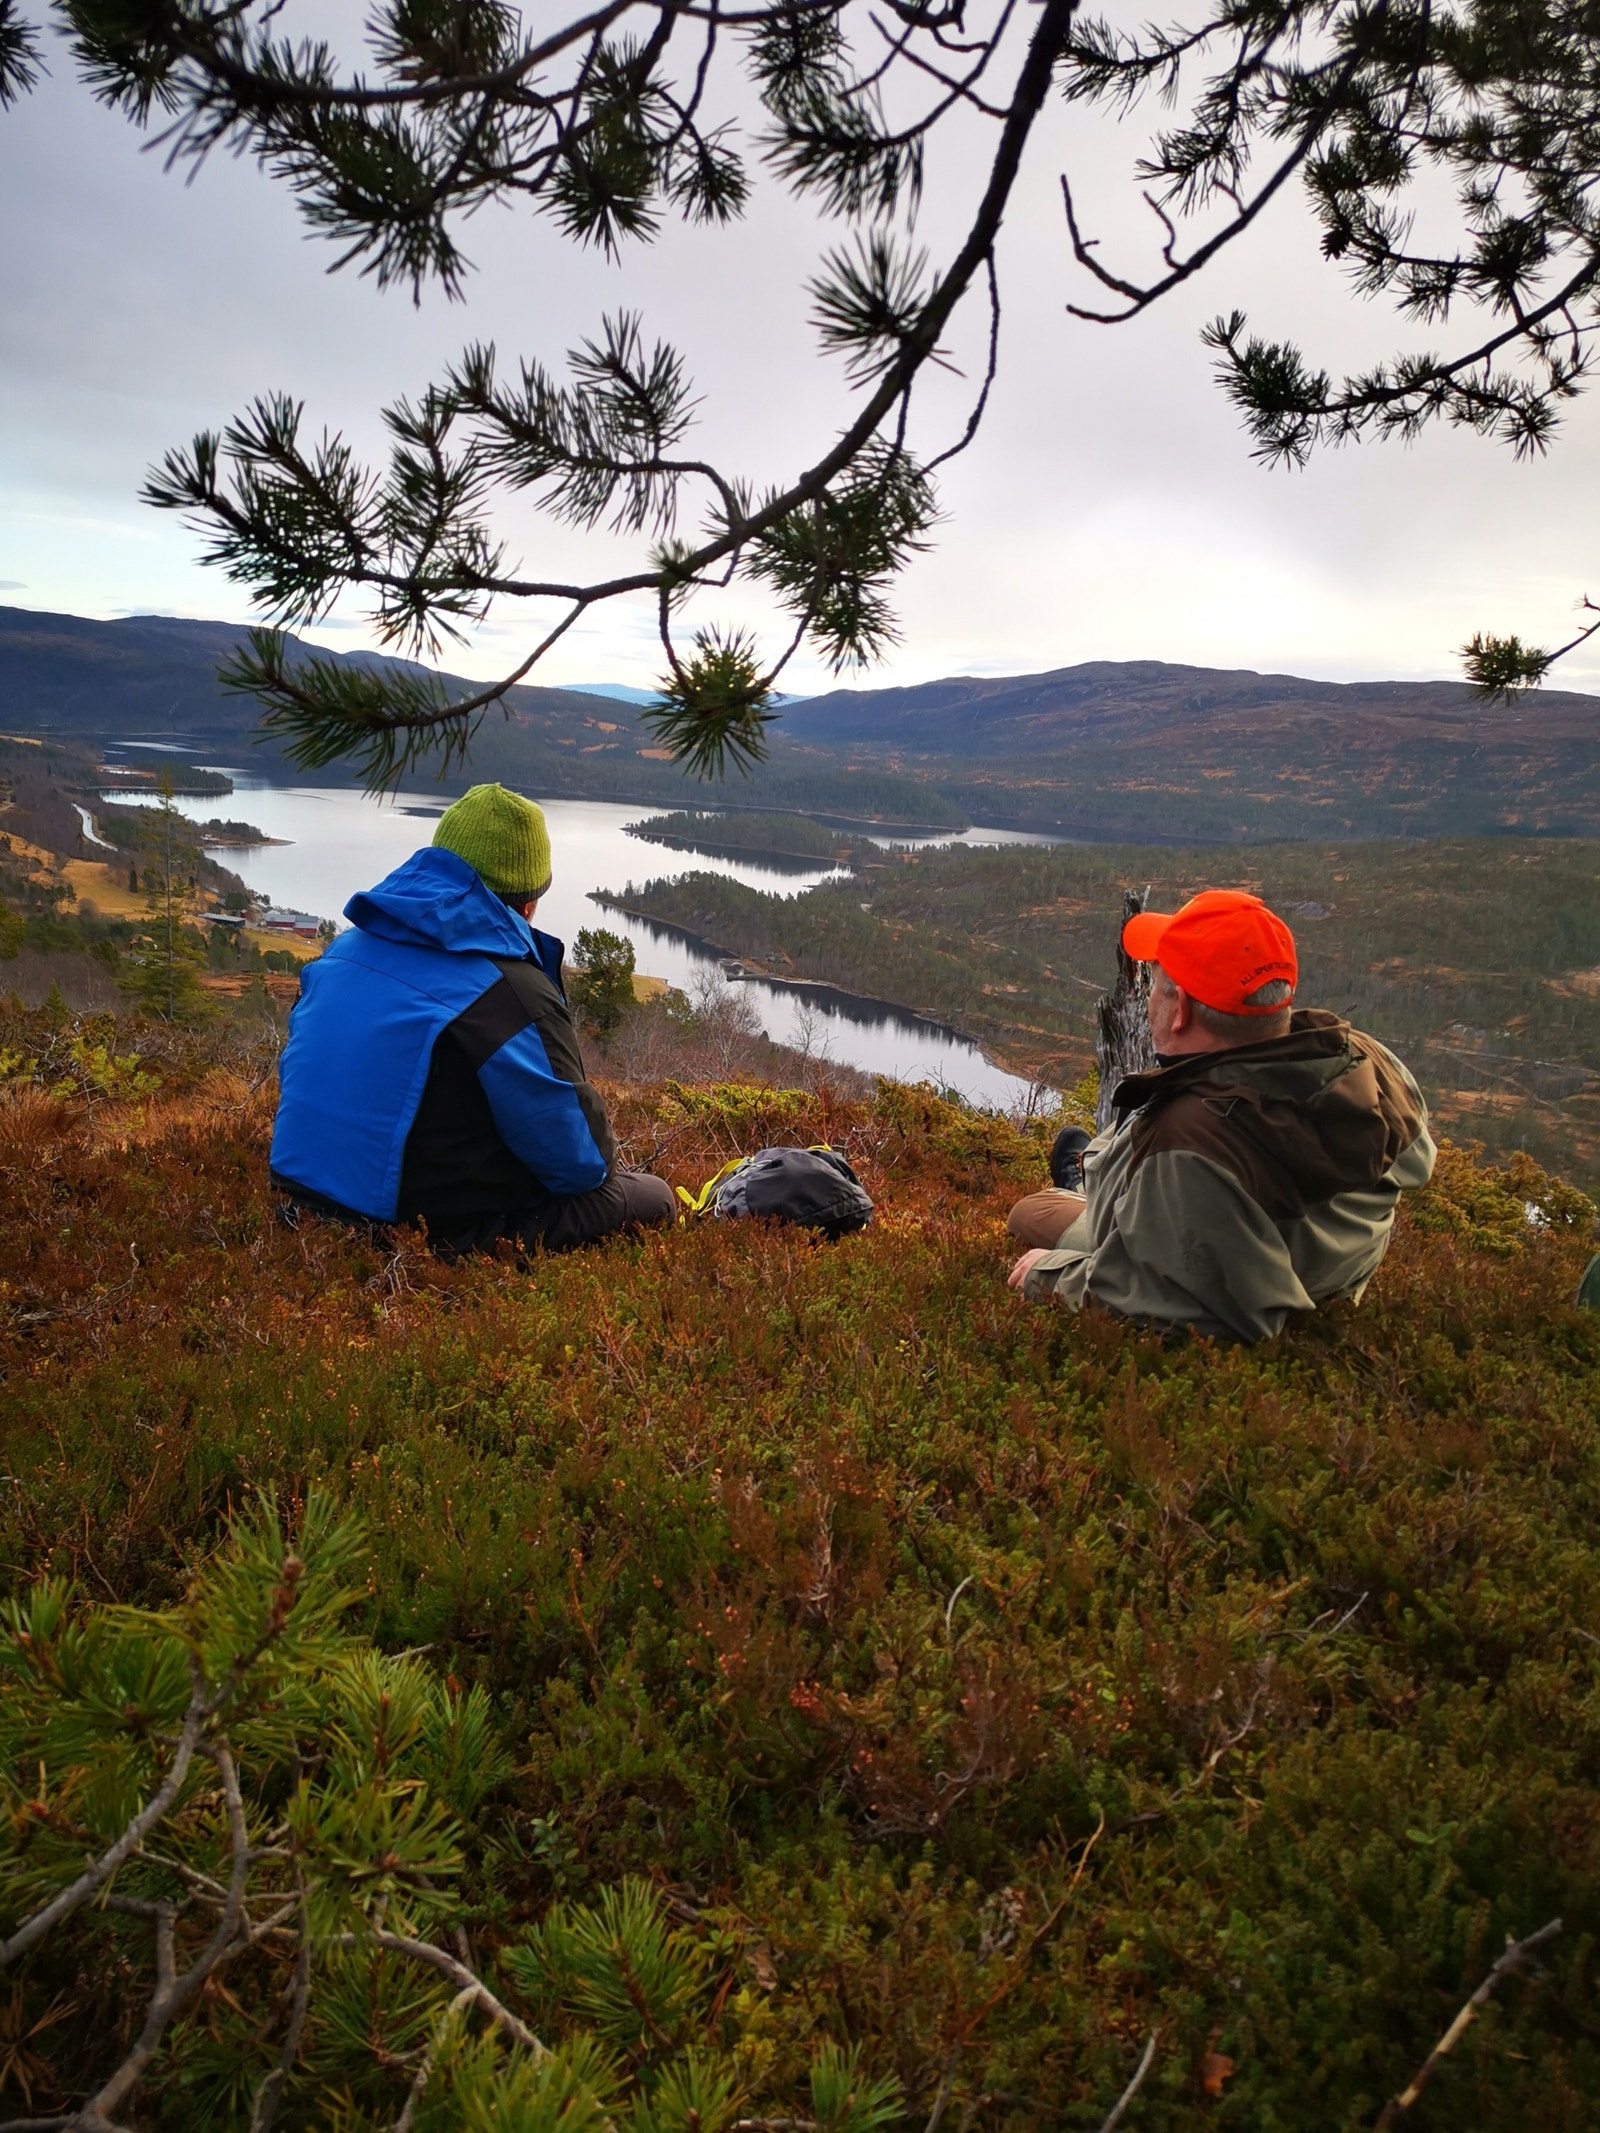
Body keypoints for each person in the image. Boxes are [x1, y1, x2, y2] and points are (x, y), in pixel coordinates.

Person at [1006, 889, 1436, 1343]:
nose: (1151, 1000)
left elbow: (1181, 1310)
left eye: (1156, 986)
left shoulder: (1193, 1141)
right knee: (1117, 1152)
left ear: (1181, 1011)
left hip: (1232, 1264)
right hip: (1325, 1263)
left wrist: (1047, 1276)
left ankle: (1087, 1188)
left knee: (1030, 1213)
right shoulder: (1366, 1064)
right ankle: (1096, 1179)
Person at [270, 783, 676, 1253]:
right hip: (406, 1233)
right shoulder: (509, 995)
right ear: (527, 904)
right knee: (653, 1198)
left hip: (293, 1204)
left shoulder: (341, 951)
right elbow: (580, 1164)